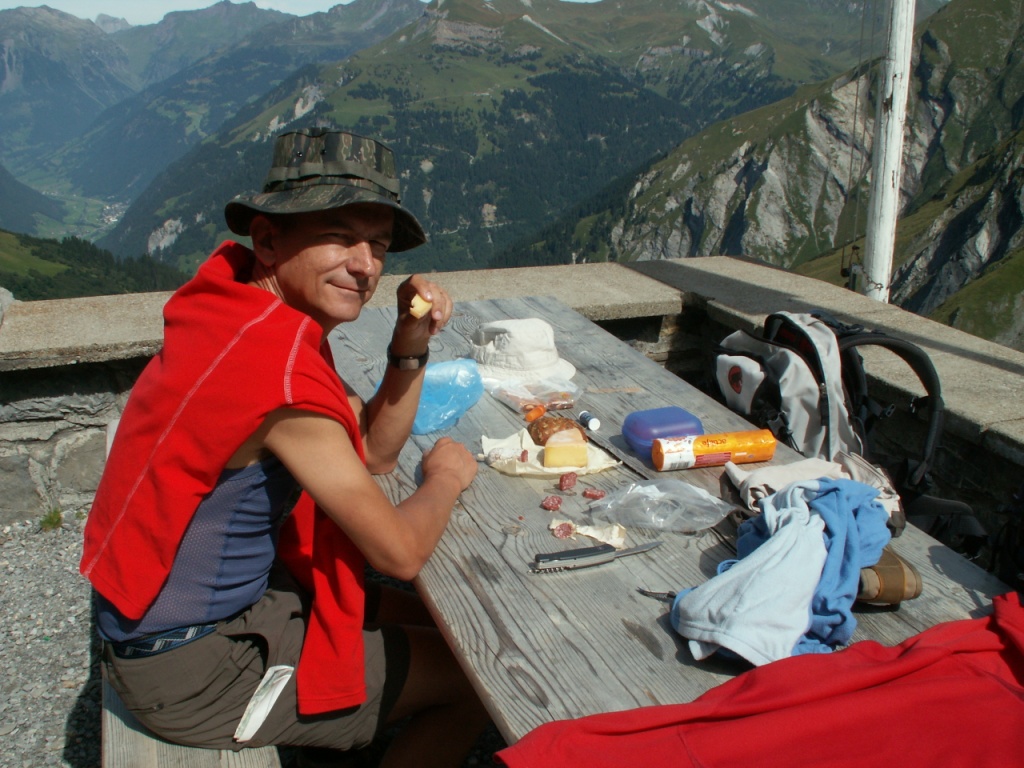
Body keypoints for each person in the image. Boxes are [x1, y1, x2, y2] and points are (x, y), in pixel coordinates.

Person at [80, 127, 489, 767]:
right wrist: (445, 478)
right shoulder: (275, 371)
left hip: (181, 616)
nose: (367, 265)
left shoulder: (236, 310)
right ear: (269, 238)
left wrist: (409, 342)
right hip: (192, 666)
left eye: (378, 244)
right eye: (341, 235)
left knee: (438, 622)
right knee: (475, 678)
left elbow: (370, 452)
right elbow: (401, 550)